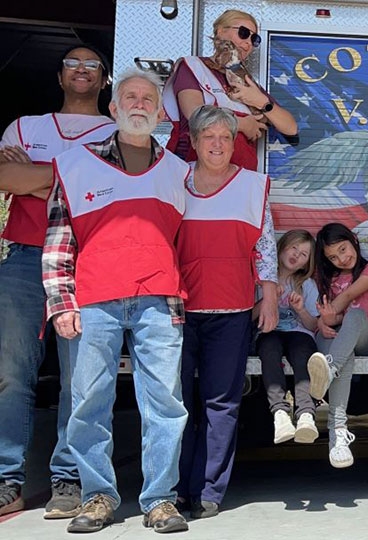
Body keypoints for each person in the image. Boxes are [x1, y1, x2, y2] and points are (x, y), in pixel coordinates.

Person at [43, 68, 191, 534]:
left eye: (149, 97)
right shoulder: (74, 165)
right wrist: (61, 303)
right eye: (130, 96)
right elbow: (58, 241)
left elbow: (187, 244)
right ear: (113, 107)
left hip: (159, 301)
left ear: (160, 112)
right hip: (93, 300)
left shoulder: (179, 173)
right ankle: (98, 495)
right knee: (88, 401)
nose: (140, 103)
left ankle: (160, 500)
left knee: (165, 403)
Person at [0, 44, 115, 519]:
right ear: (60, 74)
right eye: (73, 63)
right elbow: (4, 176)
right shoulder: (24, 125)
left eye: (92, 65)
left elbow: (111, 192)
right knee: (10, 375)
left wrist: (34, 174)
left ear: (104, 80)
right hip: (24, 258)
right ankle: (9, 479)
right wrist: (74, 175)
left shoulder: (117, 132)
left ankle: (68, 477)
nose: (82, 70)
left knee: (79, 381)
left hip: (87, 261)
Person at [175, 105, 279, 519]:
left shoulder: (253, 186)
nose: (216, 144)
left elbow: (265, 246)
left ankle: (209, 491)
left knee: (222, 404)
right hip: (177, 310)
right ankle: (176, 488)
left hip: (233, 310)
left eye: (224, 137)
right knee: (176, 404)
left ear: (234, 142)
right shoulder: (173, 180)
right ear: (196, 142)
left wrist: (268, 296)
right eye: (208, 137)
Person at [162, 9, 298, 170]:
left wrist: (260, 102)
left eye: (254, 39)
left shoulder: (246, 81)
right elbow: (196, 115)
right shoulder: (193, 67)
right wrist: (241, 124)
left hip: (239, 176)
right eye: (243, 33)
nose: (248, 43)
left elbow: (291, 128)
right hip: (194, 172)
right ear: (220, 30)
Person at [306, 222, 368, 468]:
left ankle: (328, 369)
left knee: (355, 316)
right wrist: (325, 320)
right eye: (332, 256)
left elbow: (350, 298)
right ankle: (339, 436)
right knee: (341, 357)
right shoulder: (326, 279)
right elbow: (330, 315)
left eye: (343, 248)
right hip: (334, 338)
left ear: (354, 241)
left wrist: (329, 316)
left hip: (361, 335)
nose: (341, 258)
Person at [255, 229, 321, 445]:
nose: (296, 255)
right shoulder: (261, 279)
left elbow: (314, 325)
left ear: (306, 264)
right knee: (269, 351)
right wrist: (269, 298)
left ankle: (305, 415)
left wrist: (301, 310)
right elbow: (249, 316)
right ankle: (280, 415)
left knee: (303, 354)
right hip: (269, 331)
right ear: (281, 247)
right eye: (294, 248)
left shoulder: (306, 285)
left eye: (303, 255)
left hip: (298, 333)